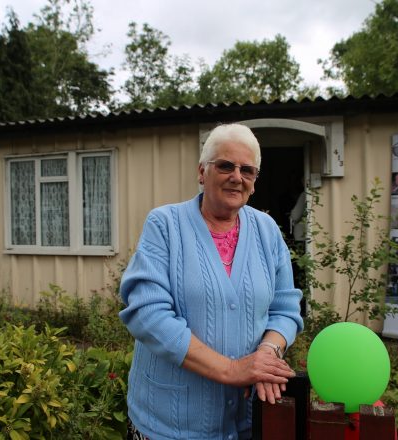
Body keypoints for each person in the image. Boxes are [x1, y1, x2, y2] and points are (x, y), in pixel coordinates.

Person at [119, 123, 304, 440]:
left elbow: (285, 309)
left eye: (247, 170)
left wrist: (267, 354)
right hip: (170, 424)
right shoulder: (165, 225)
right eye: (225, 165)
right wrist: (231, 370)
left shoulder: (267, 230)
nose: (237, 176)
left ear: (254, 182)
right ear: (202, 172)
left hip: (245, 422)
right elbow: (147, 314)